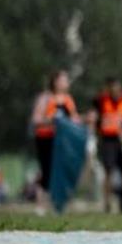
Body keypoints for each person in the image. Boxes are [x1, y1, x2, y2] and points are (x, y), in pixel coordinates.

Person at [30, 70, 79, 214]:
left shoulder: (68, 99)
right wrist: (51, 120)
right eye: (63, 80)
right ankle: (40, 205)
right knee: (45, 170)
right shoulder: (45, 98)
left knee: (59, 172)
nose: (66, 83)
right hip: (45, 138)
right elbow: (36, 120)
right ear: (55, 81)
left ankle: (57, 204)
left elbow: (74, 120)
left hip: (62, 141)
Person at [93, 77, 122, 212]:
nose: (116, 90)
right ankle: (107, 202)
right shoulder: (102, 100)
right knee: (109, 171)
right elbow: (95, 103)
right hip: (107, 139)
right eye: (113, 87)